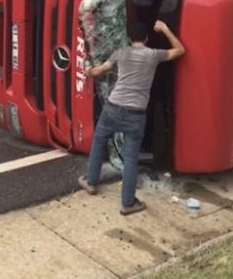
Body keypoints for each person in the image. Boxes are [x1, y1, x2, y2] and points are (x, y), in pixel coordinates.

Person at [78, 20, 185, 215]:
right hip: (136, 114)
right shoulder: (153, 55)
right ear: (146, 38)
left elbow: (97, 72)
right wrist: (165, 29)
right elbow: (179, 50)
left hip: (113, 108)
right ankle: (128, 203)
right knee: (130, 158)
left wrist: (88, 69)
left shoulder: (121, 53)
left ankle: (91, 182)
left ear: (129, 38)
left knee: (99, 141)